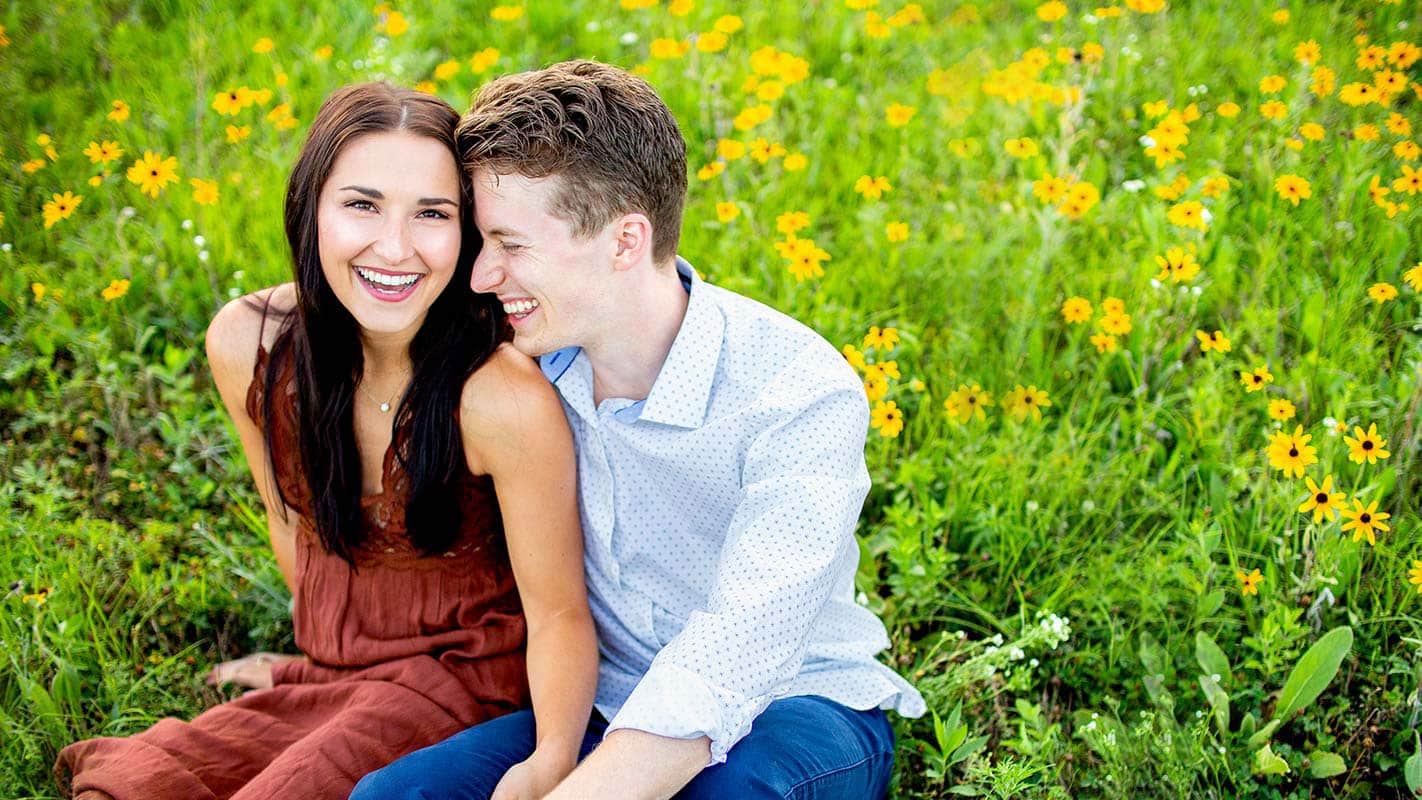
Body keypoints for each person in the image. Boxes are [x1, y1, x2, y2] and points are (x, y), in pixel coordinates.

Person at [353, 60, 924, 800]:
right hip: (606, 703)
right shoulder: (526, 357)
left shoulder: (796, 392)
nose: (481, 275)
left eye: (511, 245)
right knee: (389, 798)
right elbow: (363, 293)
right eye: (480, 241)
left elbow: (737, 653)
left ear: (625, 242)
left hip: (794, 707)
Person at [55, 82, 597, 800]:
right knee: (134, 786)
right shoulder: (250, 343)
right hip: (340, 676)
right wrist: (324, 662)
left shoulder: (499, 399)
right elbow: (293, 525)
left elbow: (559, 612)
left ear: (467, 233)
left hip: (465, 686)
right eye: (362, 204)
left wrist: (552, 762)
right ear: (310, 207)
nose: (394, 247)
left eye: (432, 214)